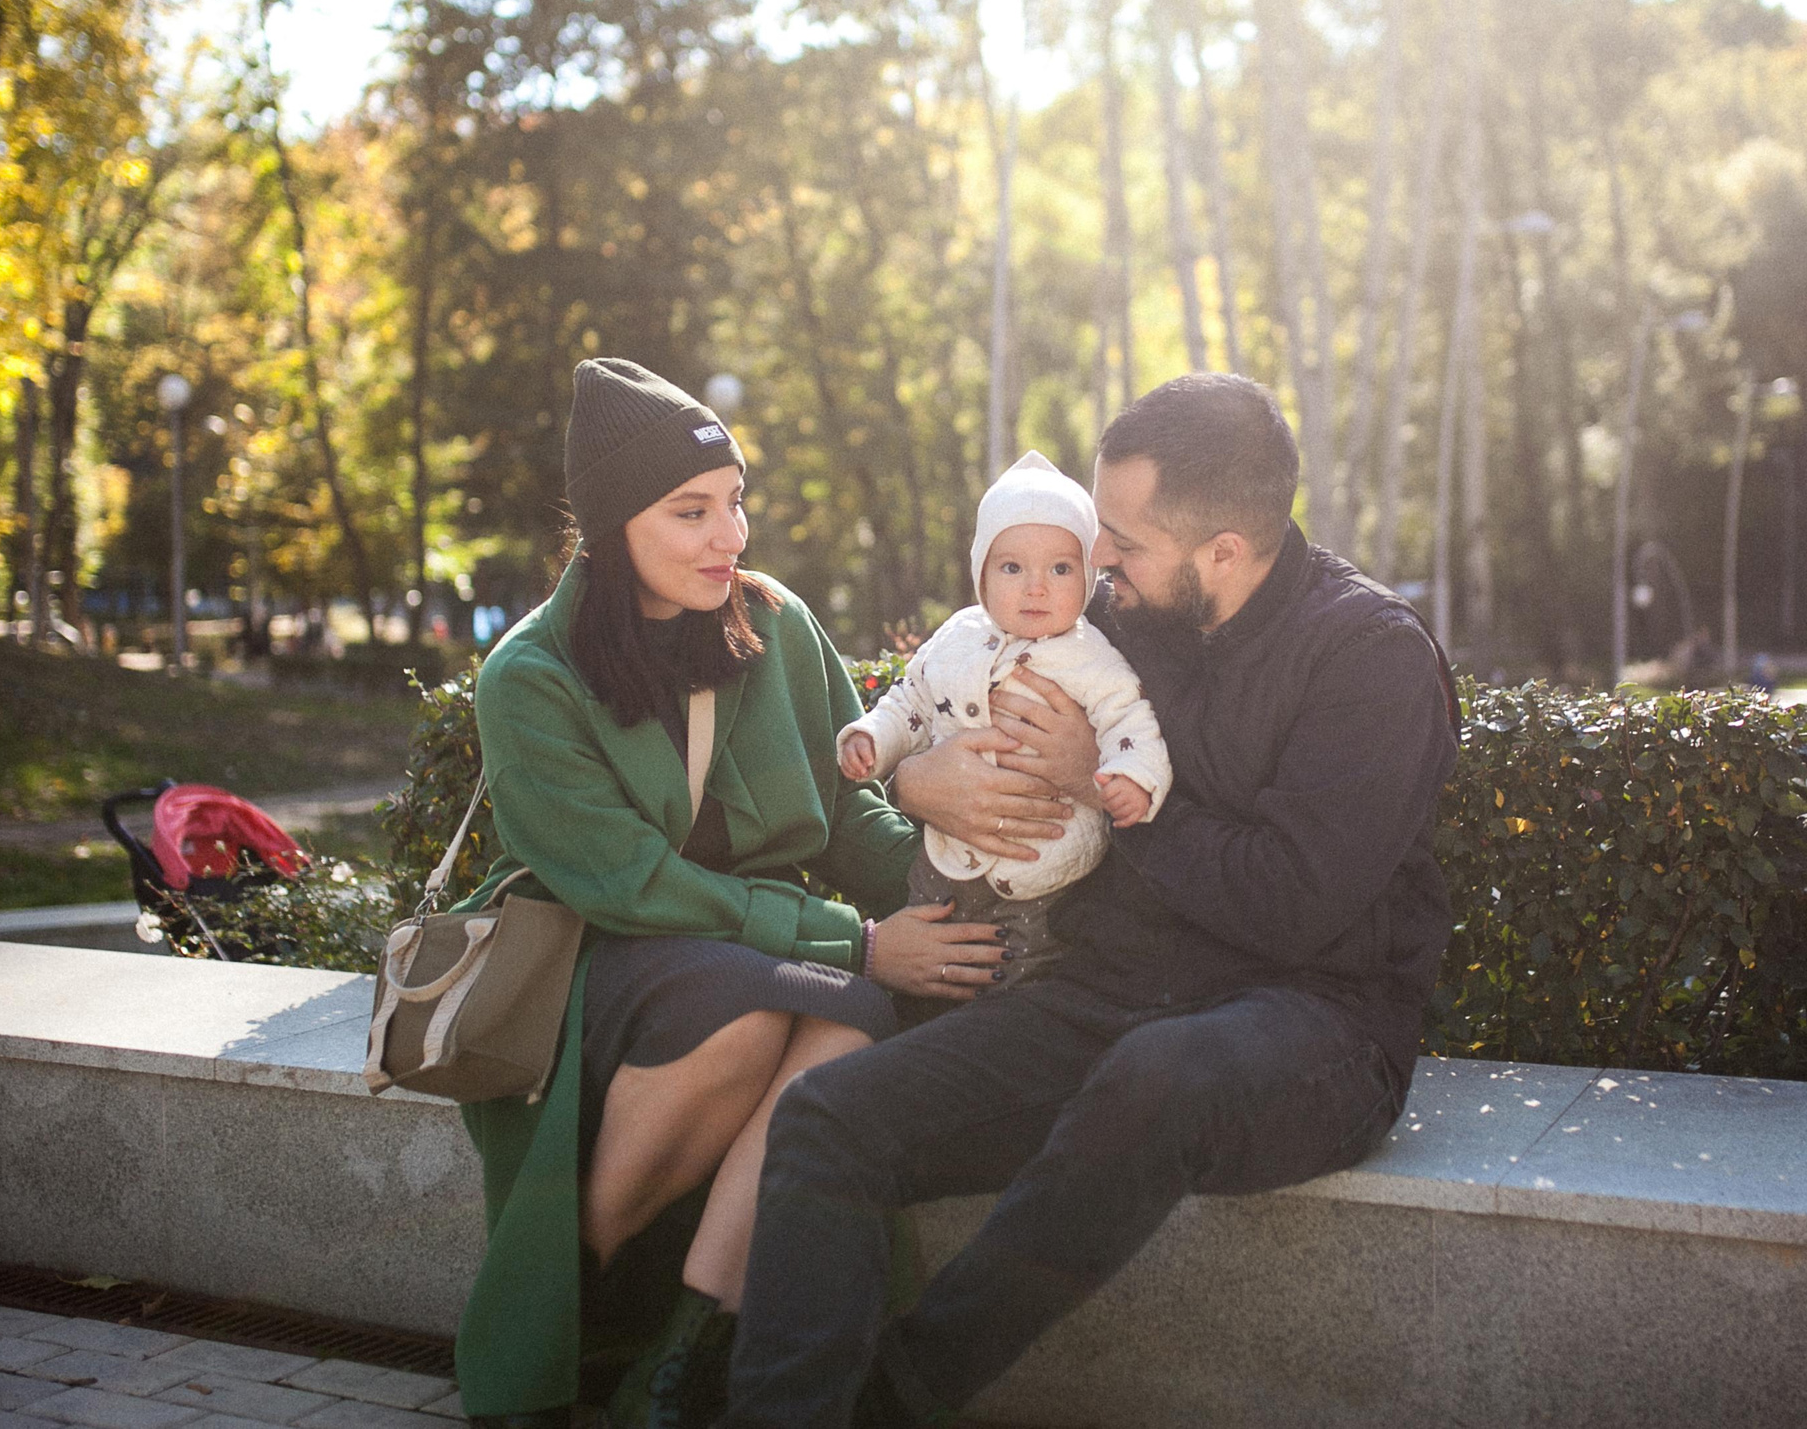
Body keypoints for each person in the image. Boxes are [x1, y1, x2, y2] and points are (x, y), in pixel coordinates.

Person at [722, 373, 1463, 1429]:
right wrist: (915, 778)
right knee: (825, 1119)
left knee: (1154, 1075)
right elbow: (951, 691)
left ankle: (894, 1402)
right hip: (1108, 993)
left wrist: (1101, 788)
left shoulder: (1369, 658)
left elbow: (1290, 905)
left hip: (1314, 1023)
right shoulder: (1120, 616)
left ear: (1223, 552)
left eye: (1125, 539)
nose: (1097, 555)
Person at [455, 359, 1007, 1429]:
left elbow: (847, 818)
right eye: (691, 511)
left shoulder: (774, 623)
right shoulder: (528, 677)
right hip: (596, 956)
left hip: (750, 954)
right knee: (759, 1002)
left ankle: (689, 1346)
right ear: (612, 525)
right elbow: (632, 885)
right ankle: (578, 1297)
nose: (730, 536)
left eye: (735, 501)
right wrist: (857, 941)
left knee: (850, 1016)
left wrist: (972, 892)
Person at [837, 450, 1171, 992]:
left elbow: (1129, 720)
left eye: (1060, 569)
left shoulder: (1093, 658)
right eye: (1012, 568)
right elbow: (911, 700)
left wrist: (1133, 777)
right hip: (946, 858)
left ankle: (1002, 1016)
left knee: (1021, 976)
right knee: (931, 952)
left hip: (1047, 870)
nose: (1036, 587)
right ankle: (918, 1008)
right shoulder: (957, 637)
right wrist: (874, 737)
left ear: (1088, 577)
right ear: (982, 575)